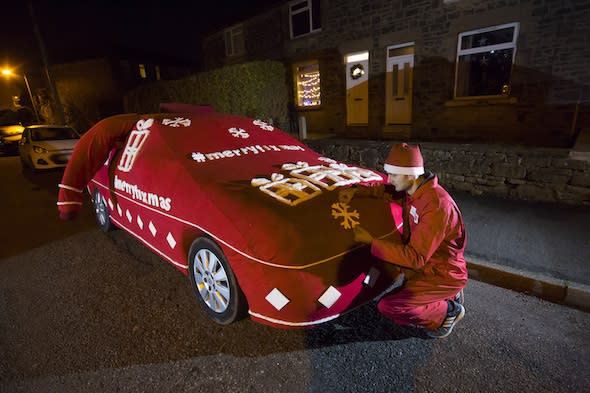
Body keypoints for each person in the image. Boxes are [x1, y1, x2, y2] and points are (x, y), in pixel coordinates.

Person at [351, 142, 468, 338]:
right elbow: (386, 191)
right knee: (399, 284)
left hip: (442, 272)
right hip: (431, 267)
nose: (390, 179)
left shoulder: (437, 206)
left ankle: (446, 313)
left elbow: (415, 258)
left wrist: (371, 243)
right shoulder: (415, 190)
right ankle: (446, 295)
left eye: (394, 175)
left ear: (411, 175)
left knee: (390, 307)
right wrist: (356, 191)